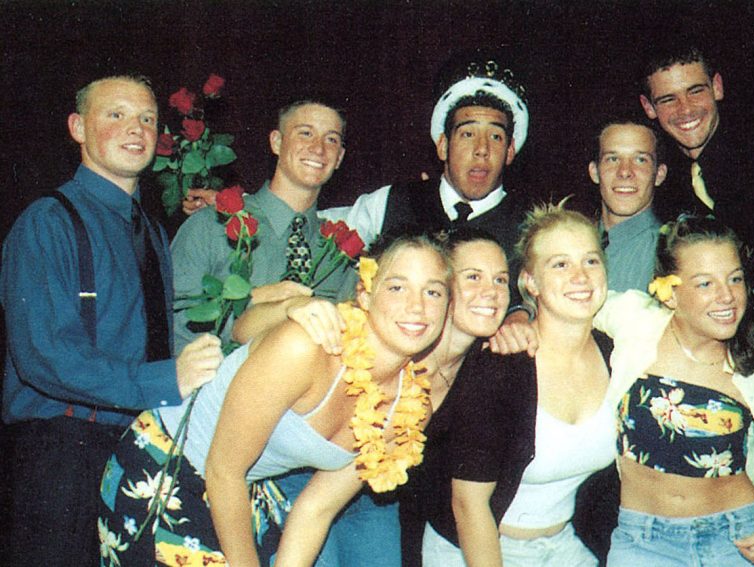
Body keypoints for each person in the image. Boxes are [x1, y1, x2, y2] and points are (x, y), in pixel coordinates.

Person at [97, 234, 451, 566]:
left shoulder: (410, 413)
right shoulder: (303, 347)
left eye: (433, 292)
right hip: (163, 464)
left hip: (241, 491)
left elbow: (316, 510)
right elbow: (223, 472)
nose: (416, 307)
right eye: (397, 287)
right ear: (365, 295)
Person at [0, 75, 223, 566]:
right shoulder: (47, 221)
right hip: (62, 455)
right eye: (115, 115)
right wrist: (167, 379)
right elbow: (44, 357)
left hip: (134, 449)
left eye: (147, 118)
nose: (135, 129)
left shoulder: (152, 232)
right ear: (78, 128)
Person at [232, 228, 513, 567]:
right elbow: (247, 331)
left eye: (501, 280)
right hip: (298, 476)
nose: (490, 292)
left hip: (371, 495)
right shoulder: (386, 331)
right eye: (473, 277)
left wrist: (521, 315)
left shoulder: (485, 363)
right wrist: (291, 306)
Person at [595, 215, 754, 567]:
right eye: (705, 284)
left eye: (735, 279)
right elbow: (573, 299)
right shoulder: (635, 320)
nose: (727, 296)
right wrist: (520, 314)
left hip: (738, 540)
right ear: (670, 293)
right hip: (642, 542)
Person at [418, 202, 621, 566]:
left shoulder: (618, 355)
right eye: (560, 263)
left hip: (562, 547)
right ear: (530, 281)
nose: (580, 276)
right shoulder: (502, 365)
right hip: (472, 549)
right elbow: (468, 504)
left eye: (590, 261)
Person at [171, 99, 358, 354]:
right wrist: (248, 303)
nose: (318, 148)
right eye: (305, 133)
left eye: (332, 139)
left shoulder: (339, 255)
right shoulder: (210, 226)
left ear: (340, 158)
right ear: (277, 142)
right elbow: (173, 325)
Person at [637, 43, 754, 318]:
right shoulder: (665, 186)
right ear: (649, 108)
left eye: (695, 91)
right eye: (668, 99)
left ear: (717, 87)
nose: (685, 109)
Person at [324, 55, 529, 263]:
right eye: (468, 134)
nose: (482, 149)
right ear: (443, 146)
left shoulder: (530, 229)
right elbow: (312, 230)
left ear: (510, 151)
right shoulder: (392, 203)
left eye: (496, 137)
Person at [588, 117, 667, 292]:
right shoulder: (573, 242)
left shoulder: (670, 253)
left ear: (659, 174)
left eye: (640, 160)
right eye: (612, 159)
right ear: (594, 172)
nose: (624, 172)